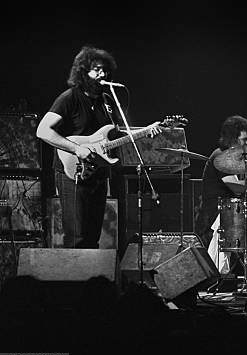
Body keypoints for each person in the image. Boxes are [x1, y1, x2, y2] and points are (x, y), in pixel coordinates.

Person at [36, 45, 161, 248]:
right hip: (73, 171)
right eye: (96, 70)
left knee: (93, 237)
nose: (102, 74)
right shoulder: (70, 98)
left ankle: (90, 279)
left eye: (104, 70)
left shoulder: (107, 101)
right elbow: (43, 130)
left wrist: (147, 130)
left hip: (98, 173)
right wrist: (76, 148)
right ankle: (74, 278)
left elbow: (116, 133)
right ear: (83, 72)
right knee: (76, 236)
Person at [199, 115, 247, 273]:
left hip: (228, 206)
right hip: (217, 209)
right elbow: (236, 187)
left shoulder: (234, 158)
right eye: (245, 139)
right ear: (233, 139)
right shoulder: (220, 157)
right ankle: (219, 273)